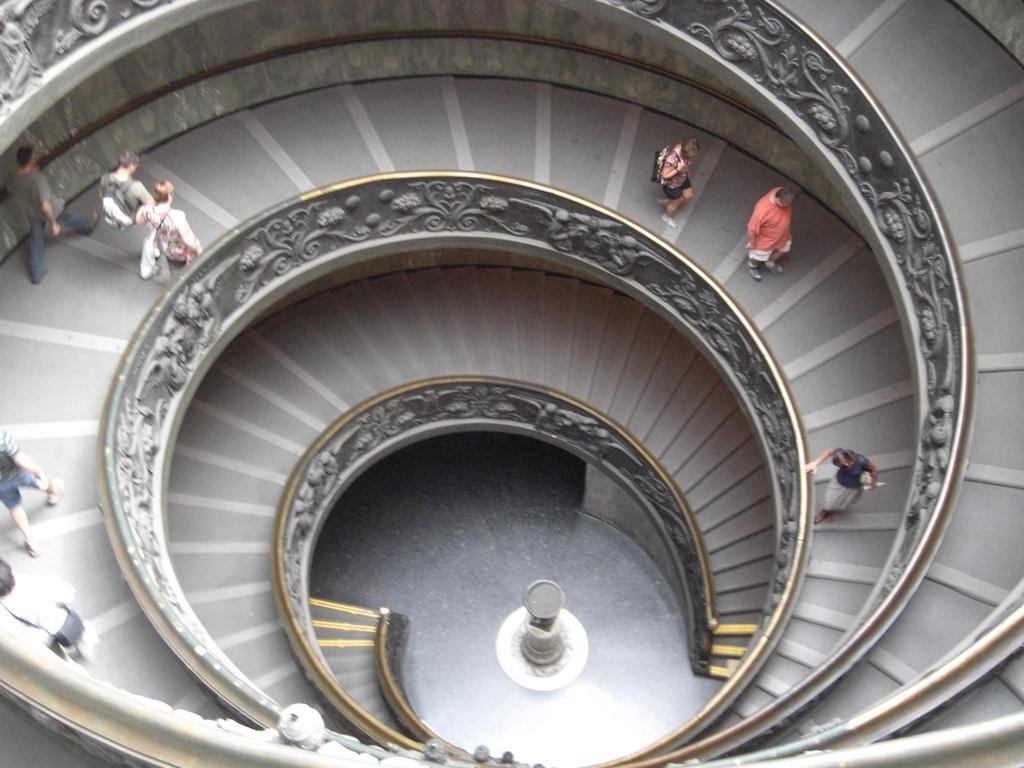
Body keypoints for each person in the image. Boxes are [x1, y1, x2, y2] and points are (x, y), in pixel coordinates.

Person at [9, 146, 98, 284]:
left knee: (36, 240)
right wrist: (53, 223)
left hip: (33, 214)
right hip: (52, 210)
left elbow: (18, 189)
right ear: (31, 160)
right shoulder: (38, 179)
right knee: (70, 218)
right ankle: (88, 227)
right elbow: (45, 205)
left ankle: (37, 273)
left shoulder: (13, 179)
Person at [0, 558, 98, 662]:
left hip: (41, 641)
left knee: (60, 663)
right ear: (11, 571)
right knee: (79, 635)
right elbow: (67, 593)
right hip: (63, 624)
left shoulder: (3, 609)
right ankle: (85, 640)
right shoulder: (33, 581)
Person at [0, 429, 64, 557]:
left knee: (15, 507)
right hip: (16, 474)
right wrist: (37, 471)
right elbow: (20, 459)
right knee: (39, 483)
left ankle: (31, 542)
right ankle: (54, 491)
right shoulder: (2, 438)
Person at [137, 180, 202, 278]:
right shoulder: (177, 216)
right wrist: (198, 248)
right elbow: (187, 240)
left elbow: (139, 221)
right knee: (192, 269)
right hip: (182, 249)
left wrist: (143, 208)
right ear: (169, 196)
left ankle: (175, 282)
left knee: (174, 269)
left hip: (166, 247)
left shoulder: (148, 211)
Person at [805, 447, 879, 523]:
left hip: (854, 486)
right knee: (829, 502)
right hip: (839, 482)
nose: (847, 466)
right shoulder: (839, 453)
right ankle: (824, 512)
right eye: (842, 466)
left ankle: (833, 512)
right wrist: (815, 463)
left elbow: (873, 469)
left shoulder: (861, 460)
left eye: (847, 464)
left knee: (844, 503)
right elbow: (829, 452)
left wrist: (873, 481)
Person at [746, 186, 794, 281]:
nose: (786, 207)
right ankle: (752, 266)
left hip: (783, 236)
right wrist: (752, 243)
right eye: (784, 204)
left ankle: (770, 262)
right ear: (778, 199)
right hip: (765, 241)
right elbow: (751, 229)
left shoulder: (779, 191)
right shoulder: (762, 210)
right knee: (758, 256)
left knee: (784, 249)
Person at [99, 150, 154, 229]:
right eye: (136, 166)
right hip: (132, 217)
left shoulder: (105, 178)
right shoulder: (136, 186)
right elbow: (151, 204)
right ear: (131, 167)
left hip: (113, 213)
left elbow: (101, 194)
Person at [658, 137, 701, 227]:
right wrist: (678, 169)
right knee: (675, 204)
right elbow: (664, 175)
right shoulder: (673, 159)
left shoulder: (681, 147)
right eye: (692, 154)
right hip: (672, 185)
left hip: (682, 178)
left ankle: (669, 201)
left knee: (688, 194)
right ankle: (667, 216)